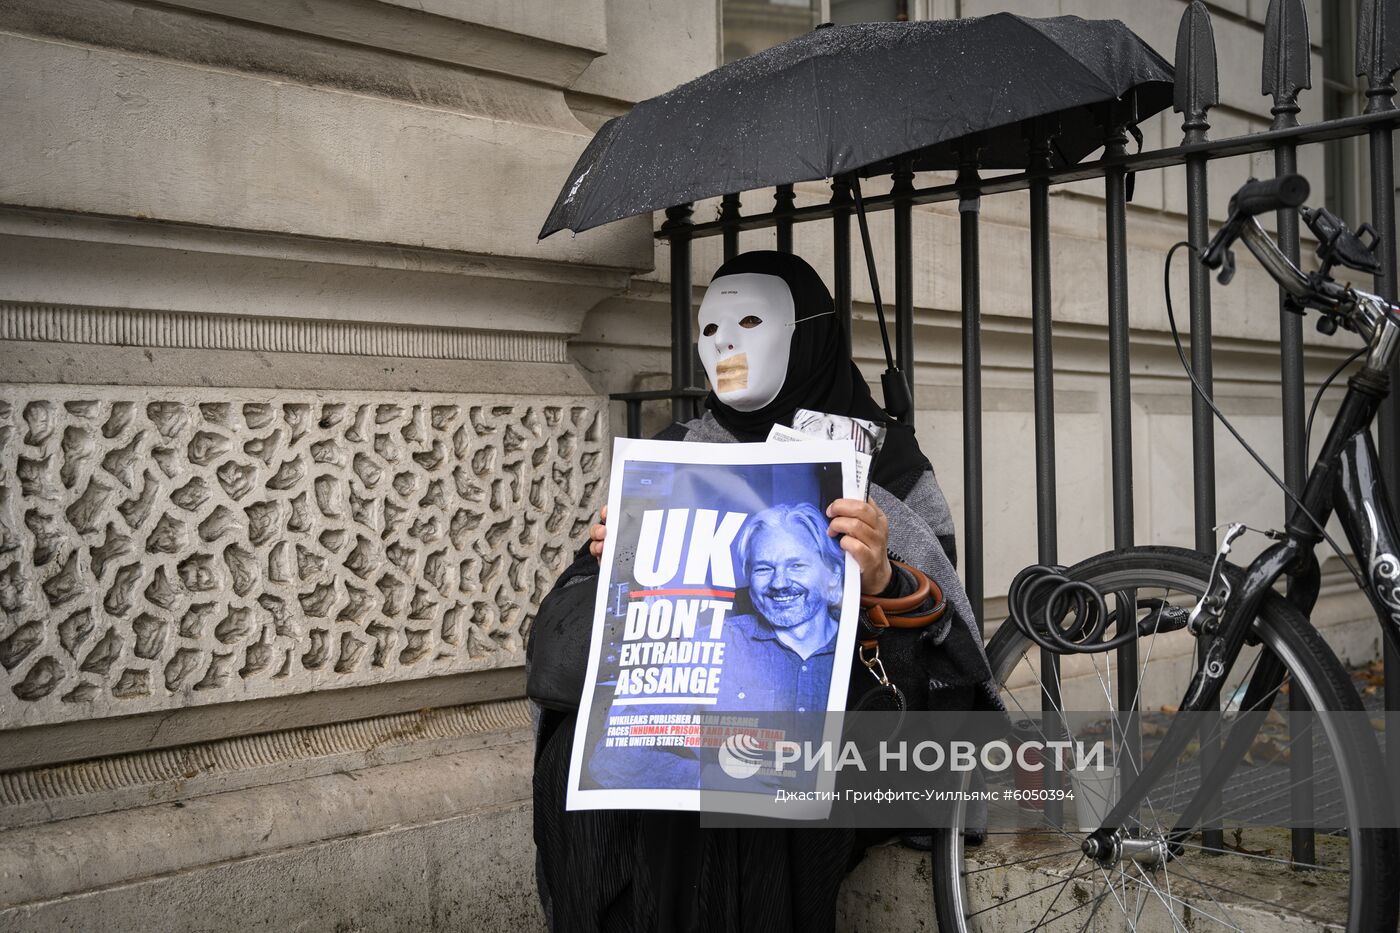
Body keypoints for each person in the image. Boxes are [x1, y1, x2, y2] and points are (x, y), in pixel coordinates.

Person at [530, 250, 998, 933]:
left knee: (742, 774)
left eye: (750, 319)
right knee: (582, 758)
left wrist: (882, 577)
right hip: (681, 709)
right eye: (711, 326)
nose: (726, 342)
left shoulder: (886, 459)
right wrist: (608, 558)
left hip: (833, 726)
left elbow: (945, 638)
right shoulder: (679, 447)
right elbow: (586, 622)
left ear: (807, 332)